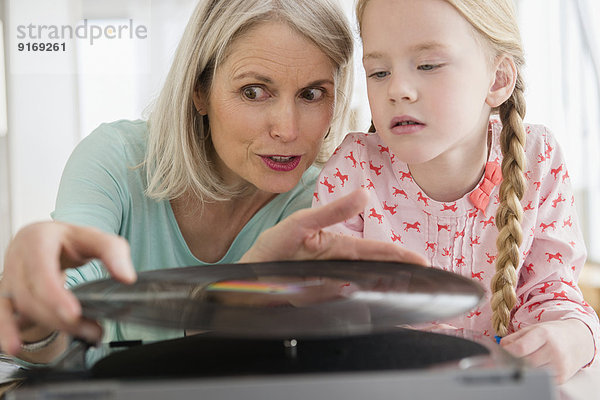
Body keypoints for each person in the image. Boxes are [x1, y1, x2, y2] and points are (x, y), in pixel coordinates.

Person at [0, 0, 427, 365]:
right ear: (200, 90)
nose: (287, 128)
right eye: (254, 91)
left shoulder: (322, 203)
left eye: (312, 94)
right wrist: (31, 311)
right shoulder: (118, 160)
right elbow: (54, 332)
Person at [312, 0, 599, 383]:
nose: (397, 89)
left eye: (428, 65)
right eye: (379, 72)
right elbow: (327, 312)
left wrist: (573, 338)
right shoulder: (352, 170)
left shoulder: (538, 158)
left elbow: (553, 292)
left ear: (497, 79)